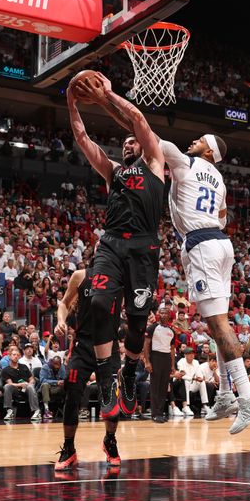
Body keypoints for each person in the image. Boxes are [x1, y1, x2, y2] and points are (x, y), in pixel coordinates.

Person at [88, 71, 250, 433]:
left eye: (200, 140)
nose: (194, 141)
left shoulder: (184, 162)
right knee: (218, 322)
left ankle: (247, 396)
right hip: (221, 243)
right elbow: (223, 216)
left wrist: (106, 98)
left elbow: (140, 128)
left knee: (217, 324)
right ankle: (225, 396)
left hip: (201, 244)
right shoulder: (219, 180)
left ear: (208, 151)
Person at [67, 73, 167, 421]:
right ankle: (109, 383)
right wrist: (72, 102)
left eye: (132, 142)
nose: (128, 144)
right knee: (96, 302)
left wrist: (108, 95)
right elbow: (82, 138)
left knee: (138, 323)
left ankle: (128, 374)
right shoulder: (113, 173)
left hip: (143, 249)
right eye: (124, 143)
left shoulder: (156, 164)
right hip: (110, 244)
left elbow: (138, 120)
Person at [53, 267, 122, 471]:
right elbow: (64, 304)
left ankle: (110, 441)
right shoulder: (81, 276)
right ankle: (69, 448)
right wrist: (60, 321)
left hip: (109, 345)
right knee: (72, 393)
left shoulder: (120, 275)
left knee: (110, 397)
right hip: (83, 345)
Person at [145, 309, 176, 423]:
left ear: (169, 315)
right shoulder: (152, 328)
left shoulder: (172, 331)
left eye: (165, 313)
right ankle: (155, 414)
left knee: (164, 387)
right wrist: (147, 362)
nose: (163, 314)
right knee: (155, 386)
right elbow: (146, 344)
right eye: (161, 313)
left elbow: (172, 349)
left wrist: (172, 365)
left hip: (166, 358)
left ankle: (160, 412)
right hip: (155, 356)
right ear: (158, 315)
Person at [1, 346, 41, 422]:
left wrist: (29, 384)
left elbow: (31, 379)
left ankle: (36, 411)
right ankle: (9, 411)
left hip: (26, 388)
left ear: (19, 357)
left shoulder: (24, 367)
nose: (16, 356)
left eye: (17, 355)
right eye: (13, 355)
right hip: (15, 389)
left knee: (30, 386)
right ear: (9, 356)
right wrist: (21, 385)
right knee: (7, 386)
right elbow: (10, 383)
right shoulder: (6, 370)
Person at [38, 356, 67, 421]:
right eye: (55, 364)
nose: (57, 366)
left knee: (68, 386)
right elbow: (42, 380)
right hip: (46, 388)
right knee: (45, 385)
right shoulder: (45, 367)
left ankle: (70, 409)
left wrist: (63, 382)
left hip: (57, 389)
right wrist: (56, 382)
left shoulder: (62, 367)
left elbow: (64, 378)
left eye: (58, 364)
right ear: (52, 363)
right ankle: (46, 410)